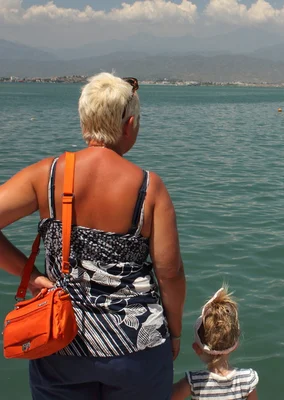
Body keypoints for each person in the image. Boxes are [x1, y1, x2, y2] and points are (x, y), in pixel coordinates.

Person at [0, 72, 186, 399]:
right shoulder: (149, 187)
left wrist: (30, 276)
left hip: (59, 342)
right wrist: (175, 332)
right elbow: (170, 273)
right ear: (129, 125)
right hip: (137, 347)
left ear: (85, 121)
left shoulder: (46, 176)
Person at [171, 287, 258, 400]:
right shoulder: (247, 380)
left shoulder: (194, 382)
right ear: (235, 344)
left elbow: (165, 396)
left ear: (197, 348)